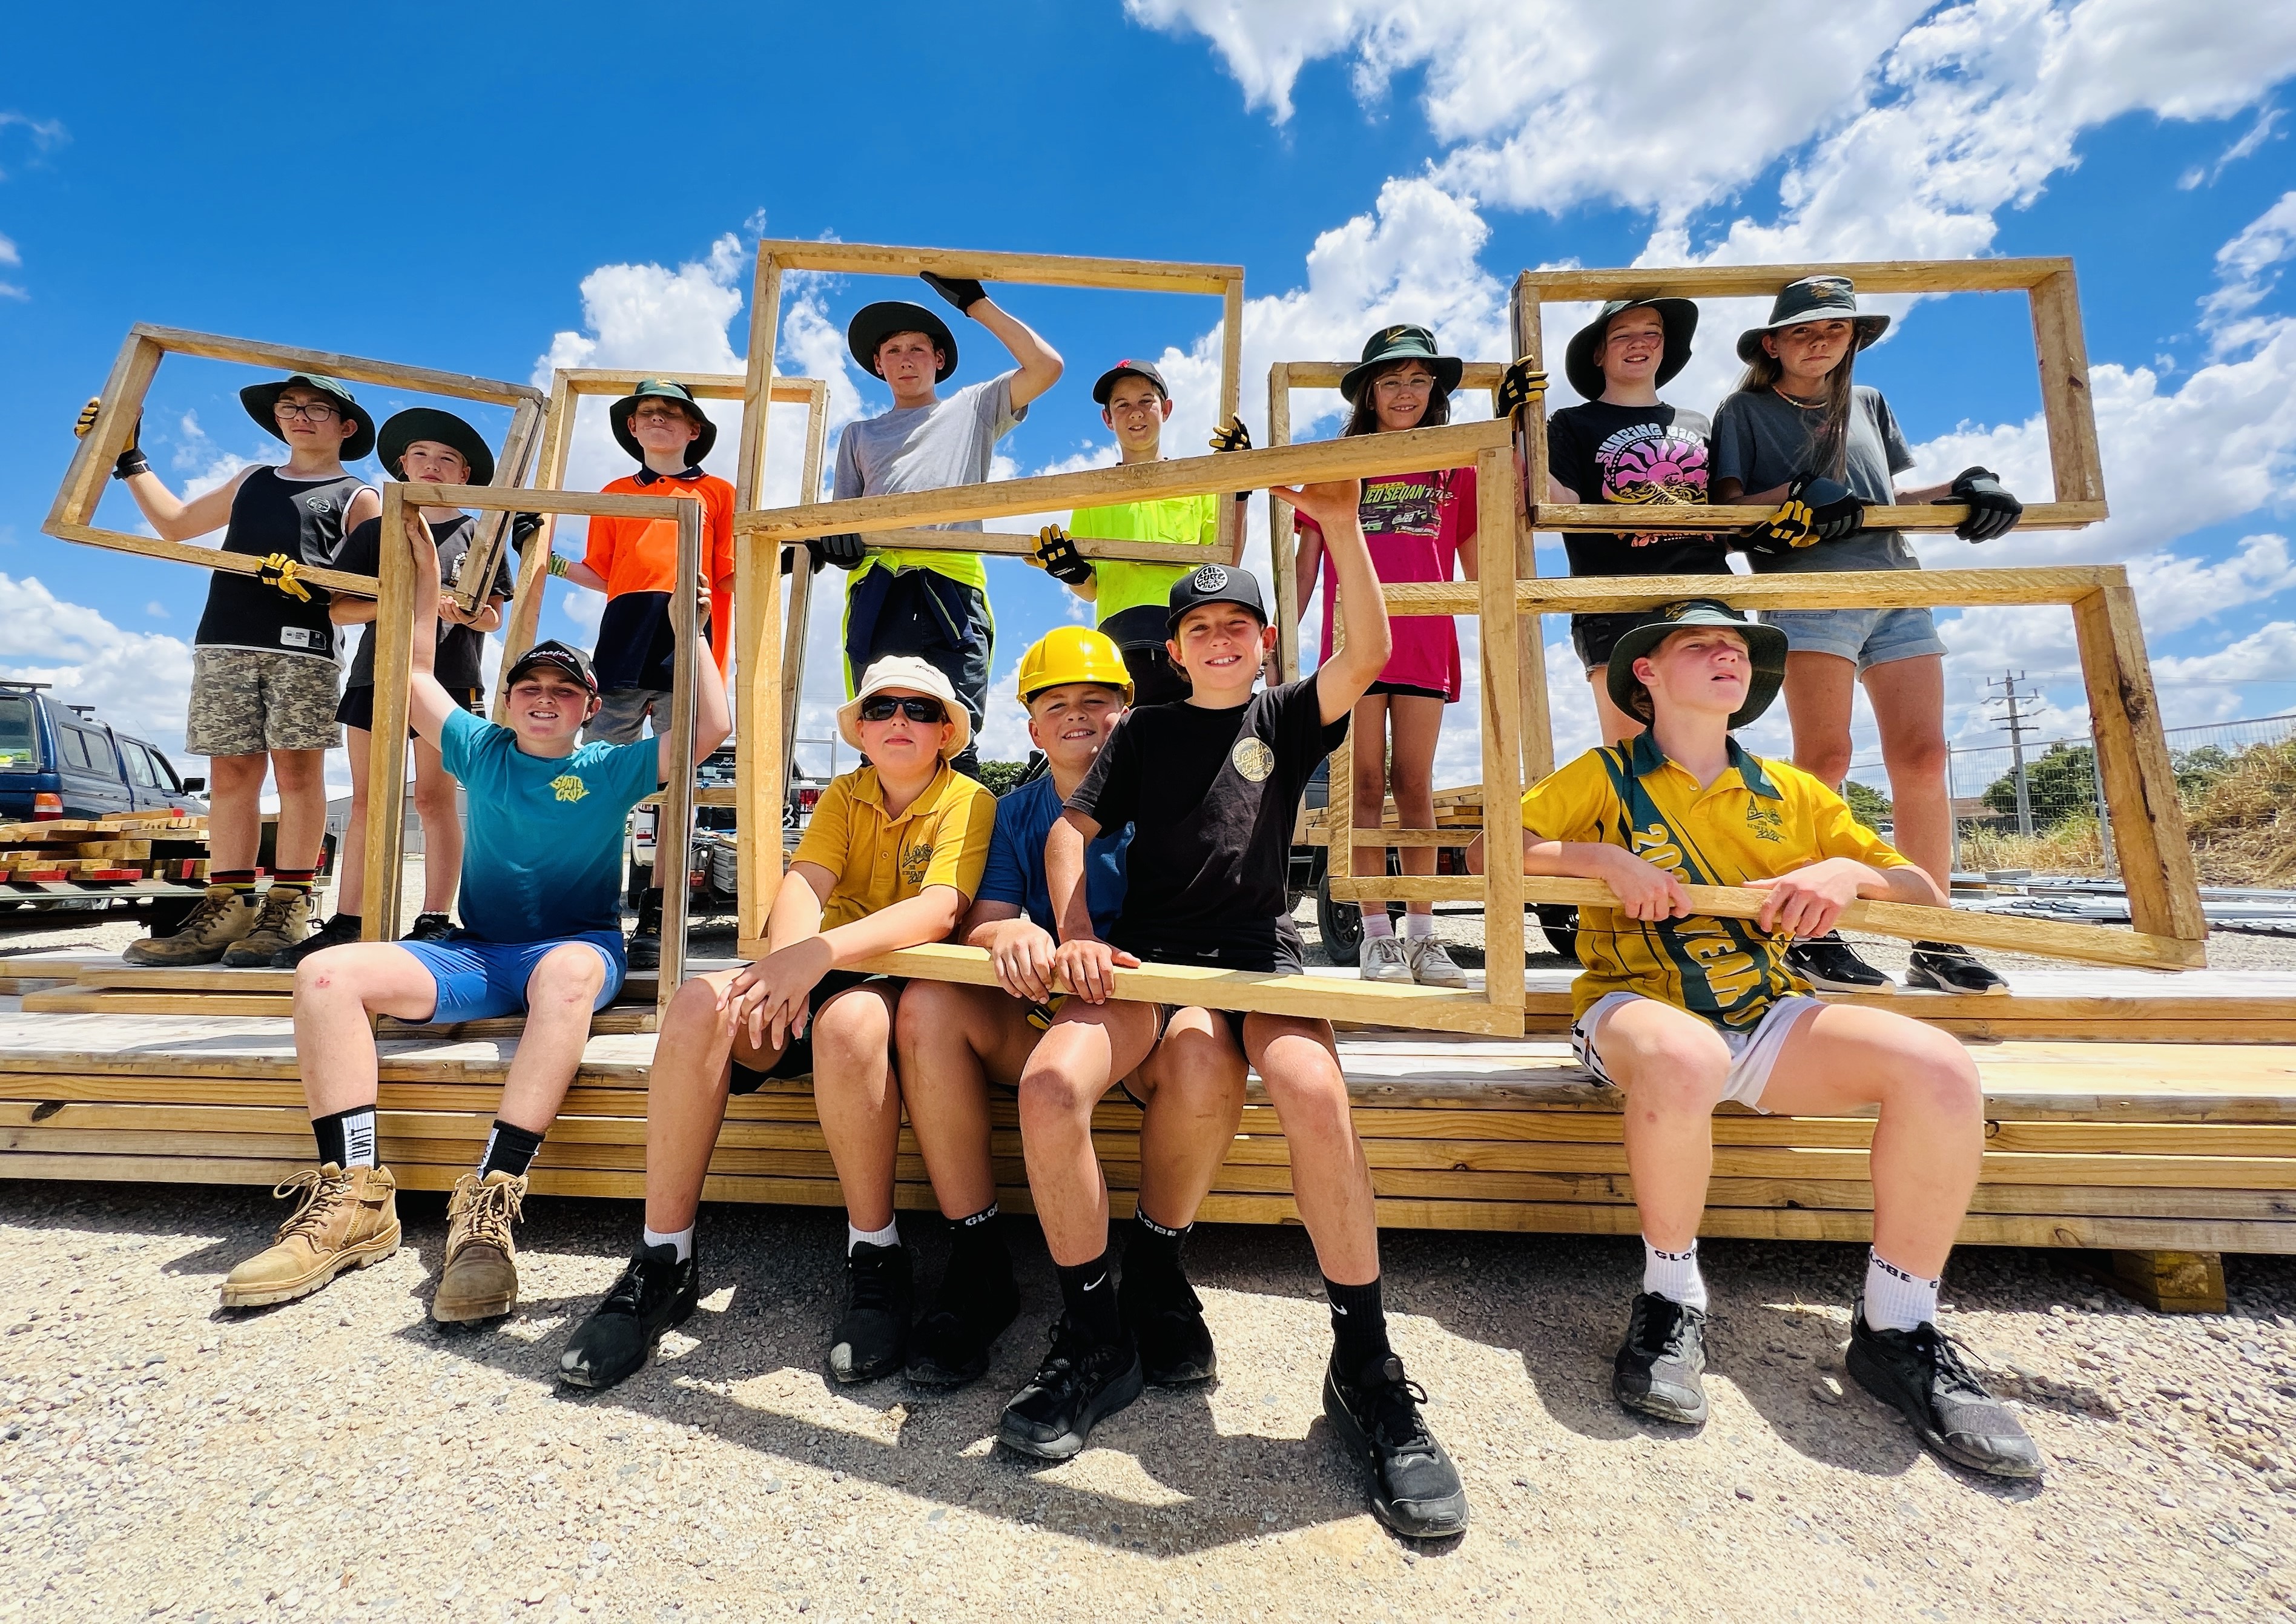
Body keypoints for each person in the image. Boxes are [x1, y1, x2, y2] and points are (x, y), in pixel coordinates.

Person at [1515, 598, 2039, 1480]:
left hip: (1766, 1012)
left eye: (1738, 648)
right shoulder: (1603, 774)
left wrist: (1847, 869)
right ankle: (1671, 1299)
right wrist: (1603, 860)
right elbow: (1507, 842)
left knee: (1941, 1067)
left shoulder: (1792, 791)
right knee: (1688, 1055)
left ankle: (1899, 1329)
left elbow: (1918, 887)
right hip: (1635, 1008)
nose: (1729, 656)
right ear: (1643, 672)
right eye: (1702, 644)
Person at [1034, 506, 1472, 1538]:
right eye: (1199, 629)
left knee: (1316, 1091)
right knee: (1055, 1081)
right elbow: (1070, 825)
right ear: (1175, 651)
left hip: (1260, 956)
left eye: (1238, 624)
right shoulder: (1141, 730)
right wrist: (1075, 928)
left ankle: (1365, 1365)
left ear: (1264, 641)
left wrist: (1339, 521)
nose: (1220, 639)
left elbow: (1368, 648)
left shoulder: (1281, 717)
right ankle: (1097, 1335)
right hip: (1151, 955)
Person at [219, 498, 730, 1320]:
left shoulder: (610, 767)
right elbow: (416, 672)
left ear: (588, 708)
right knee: (324, 974)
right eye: (529, 685)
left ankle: (491, 1203)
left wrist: (689, 626)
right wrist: (421, 573)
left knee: (565, 975)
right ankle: (355, 1195)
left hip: (572, 949)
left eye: (564, 690)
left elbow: (710, 725)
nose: (543, 697)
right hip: (478, 951)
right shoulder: (480, 748)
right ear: (506, 700)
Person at [556, 657, 997, 1393]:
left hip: (898, 985)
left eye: (920, 711)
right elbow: (805, 881)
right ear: (861, 729)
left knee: (850, 1023)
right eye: (882, 707)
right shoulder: (847, 795)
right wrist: (792, 966)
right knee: (700, 1002)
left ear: (947, 732)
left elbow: (939, 910)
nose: (899, 722)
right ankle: (664, 1258)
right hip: (821, 969)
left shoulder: (970, 799)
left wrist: (813, 959)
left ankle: (875, 1253)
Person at [893, 627, 1249, 1424]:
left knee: (1204, 1048)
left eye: (1097, 700)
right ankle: (980, 1262)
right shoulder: (1016, 810)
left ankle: (1154, 1272)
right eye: (1058, 704)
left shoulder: (1173, 798)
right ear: (1033, 728)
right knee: (926, 1001)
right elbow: (984, 918)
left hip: (1143, 1004)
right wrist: (1009, 934)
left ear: (1131, 713)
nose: (1078, 716)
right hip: (1057, 1005)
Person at [1711, 276, 2025, 997]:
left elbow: (1884, 501)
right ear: (1772, 343)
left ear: (1855, 337)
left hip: (1896, 588)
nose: (1819, 341)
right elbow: (1723, 513)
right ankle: (1812, 930)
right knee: (1825, 757)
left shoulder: (1870, 404)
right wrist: (1791, 496)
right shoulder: (1745, 410)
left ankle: (1936, 935)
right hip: (1810, 591)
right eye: (1801, 331)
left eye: (1835, 329)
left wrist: (1965, 488)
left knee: (1922, 756)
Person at [85, 374, 378, 966]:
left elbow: (373, 590)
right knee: (230, 776)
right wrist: (126, 456)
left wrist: (313, 585)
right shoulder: (252, 480)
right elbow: (176, 524)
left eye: (318, 408)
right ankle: (228, 907)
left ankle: (289, 906)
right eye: (290, 406)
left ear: (346, 428)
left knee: (298, 774)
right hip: (224, 638)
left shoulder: (359, 496)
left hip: (304, 647)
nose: (300, 416)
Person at [285, 409, 515, 964]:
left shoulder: (480, 537)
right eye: (421, 456)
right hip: (373, 677)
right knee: (367, 799)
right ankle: (350, 918)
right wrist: (410, 600)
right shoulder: (375, 531)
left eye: (446, 460)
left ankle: (436, 917)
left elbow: (493, 618)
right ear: (400, 466)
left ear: (464, 475)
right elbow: (339, 611)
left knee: (436, 799)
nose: (432, 467)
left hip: (450, 681)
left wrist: (461, 611)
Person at [1293, 326, 1477, 991]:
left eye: (1419, 379)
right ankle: (1378, 940)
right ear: (1369, 391)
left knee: (1416, 788)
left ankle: (1425, 939)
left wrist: (1499, 628)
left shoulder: (1458, 461)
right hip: (1353, 643)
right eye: (1392, 379)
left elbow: (1479, 559)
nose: (1406, 393)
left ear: (1436, 391)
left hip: (1428, 639)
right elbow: (1307, 562)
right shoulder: (1340, 459)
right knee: (1364, 786)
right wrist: (1279, 632)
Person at [823, 274, 1064, 777]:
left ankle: (961, 854)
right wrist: (837, 544)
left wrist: (976, 304)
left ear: (939, 360)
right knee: (881, 728)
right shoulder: (858, 435)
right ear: (878, 363)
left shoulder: (973, 408)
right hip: (878, 589)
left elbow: (1046, 367)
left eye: (918, 348)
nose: (906, 358)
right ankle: (880, 854)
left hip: (951, 588)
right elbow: (838, 519)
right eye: (893, 350)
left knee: (957, 734)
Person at [553, 378, 736, 971]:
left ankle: (659, 912)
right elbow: (602, 572)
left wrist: (778, 558)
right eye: (647, 413)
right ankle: (588, 906)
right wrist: (550, 561)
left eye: (672, 414)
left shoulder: (718, 492)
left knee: (677, 781)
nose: (657, 420)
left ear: (694, 430)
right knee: (597, 774)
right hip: (625, 635)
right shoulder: (613, 493)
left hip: (690, 630)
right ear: (633, 428)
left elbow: (733, 568)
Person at [1539, 298, 1732, 745]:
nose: (1638, 343)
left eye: (1651, 332)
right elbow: (1557, 503)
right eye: (1622, 334)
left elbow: (1727, 513)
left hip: (1705, 597)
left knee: (1706, 751)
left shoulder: (1698, 422)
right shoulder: (1571, 424)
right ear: (1599, 353)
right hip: (1616, 602)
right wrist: (1515, 426)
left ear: (1665, 347)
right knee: (1633, 756)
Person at [1029, 360, 1224, 705]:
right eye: (1122, 405)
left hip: (1183, 638)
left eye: (1145, 401)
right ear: (1108, 419)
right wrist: (1071, 573)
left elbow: (1228, 556)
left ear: (1165, 409)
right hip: (1118, 646)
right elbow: (1091, 590)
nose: (1135, 412)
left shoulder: (1198, 485)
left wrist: (1237, 480)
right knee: (1125, 747)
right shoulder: (1094, 493)